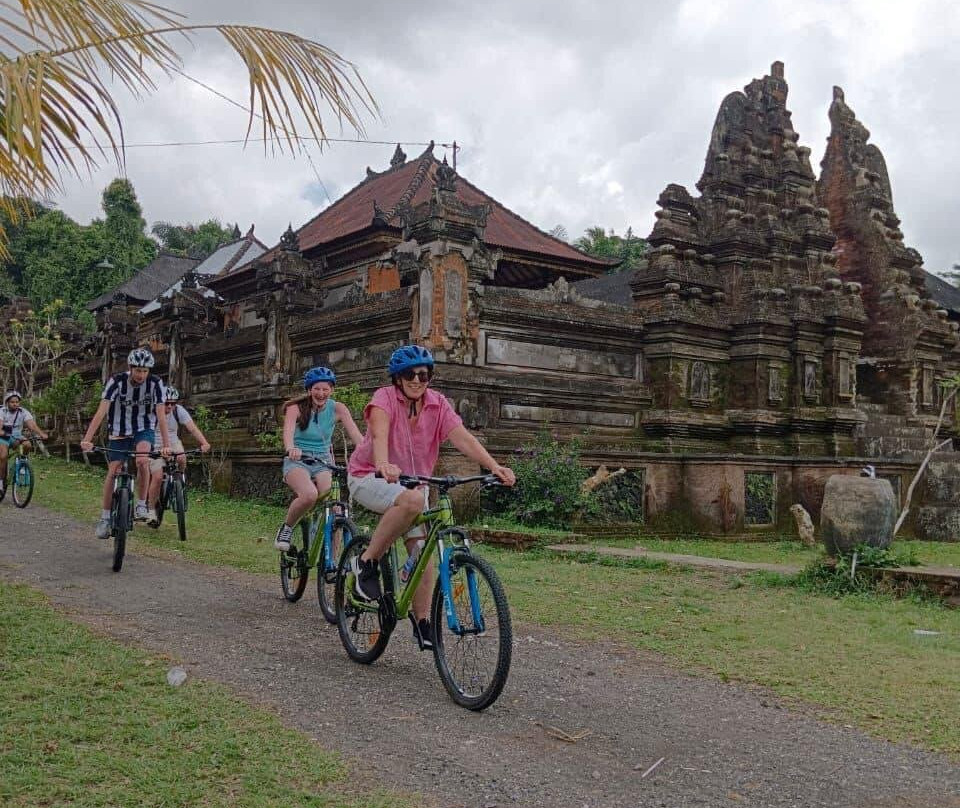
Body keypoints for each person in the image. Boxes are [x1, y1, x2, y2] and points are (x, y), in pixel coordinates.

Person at [347, 345, 515, 650]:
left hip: (414, 485)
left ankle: (422, 622)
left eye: (423, 374)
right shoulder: (384, 398)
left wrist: (494, 466)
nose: (416, 380)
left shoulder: (438, 404)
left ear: (430, 377)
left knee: (422, 554)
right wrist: (383, 463)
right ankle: (366, 562)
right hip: (369, 476)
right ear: (397, 379)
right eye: (409, 375)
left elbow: (463, 438)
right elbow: (380, 433)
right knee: (411, 502)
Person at [80, 348, 171, 539]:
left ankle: (141, 504)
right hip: (119, 431)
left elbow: (161, 416)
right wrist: (87, 439)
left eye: (145, 371)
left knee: (142, 460)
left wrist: (166, 445)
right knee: (113, 471)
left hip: (143, 428)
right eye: (138, 370)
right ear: (131, 368)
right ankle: (105, 518)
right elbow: (101, 412)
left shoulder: (156, 384)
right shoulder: (116, 381)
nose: (141, 375)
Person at [275, 366, 363, 551]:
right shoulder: (294, 408)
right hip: (298, 459)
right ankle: (287, 528)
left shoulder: (338, 408)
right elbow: (288, 432)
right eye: (317, 389)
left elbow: (356, 434)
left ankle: (333, 562)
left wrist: (369, 455)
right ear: (309, 390)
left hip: (323, 462)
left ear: (331, 390)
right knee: (309, 495)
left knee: (336, 508)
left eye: (325, 389)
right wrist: (291, 448)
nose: (321, 393)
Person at [145, 385, 211, 527]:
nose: (169, 406)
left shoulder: (179, 411)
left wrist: (204, 443)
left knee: (182, 458)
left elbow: (192, 428)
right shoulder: (151, 413)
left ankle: (179, 480)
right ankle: (150, 511)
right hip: (155, 446)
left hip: (173, 444)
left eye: (173, 403)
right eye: (166, 403)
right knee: (156, 477)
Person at [0, 390, 49, 497]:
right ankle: (0, 482)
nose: (15, 404)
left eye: (17, 402)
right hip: (3, 436)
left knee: (27, 445)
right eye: (12, 402)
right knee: (3, 457)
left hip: (17, 436)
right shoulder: (2, 411)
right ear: (7, 402)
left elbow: (31, 424)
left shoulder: (23, 412)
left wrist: (41, 433)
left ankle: (22, 464)